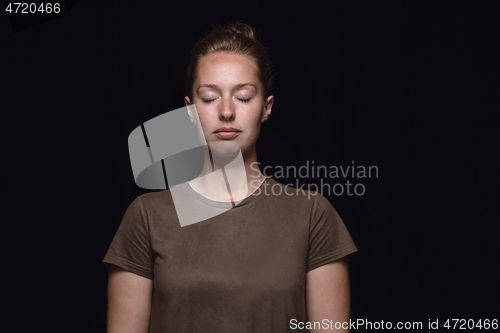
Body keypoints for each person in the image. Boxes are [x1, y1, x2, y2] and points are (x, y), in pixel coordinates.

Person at [103, 22, 358, 333]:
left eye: (243, 97)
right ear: (189, 111)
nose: (226, 112)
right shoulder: (146, 216)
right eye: (209, 97)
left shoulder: (312, 215)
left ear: (266, 107)